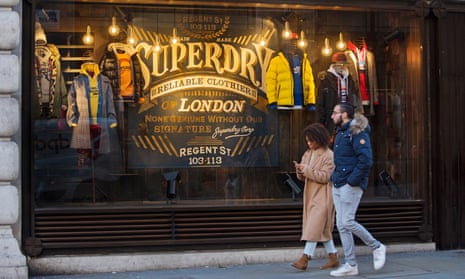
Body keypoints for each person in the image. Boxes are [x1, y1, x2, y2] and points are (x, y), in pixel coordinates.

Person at [329, 103, 386, 277]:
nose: (332, 116)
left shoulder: (357, 132)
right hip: (338, 183)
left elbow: (366, 160)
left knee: (347, 221)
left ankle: (376, 246)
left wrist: (351, 182)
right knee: (341, 225)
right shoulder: (340, 132)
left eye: (335, 112)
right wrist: (334, 178)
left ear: (344, 114)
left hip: (349, 184)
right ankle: (351, 264)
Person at [291, 123, 339, 271]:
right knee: (322, 229)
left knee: (313, 227)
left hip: (324, 196)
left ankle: (305, 258)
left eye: (311, 140)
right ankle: (333, 257)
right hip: (311, 194)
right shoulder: (307, 153)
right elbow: (304, 177)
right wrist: (300, 171)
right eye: (307, 141)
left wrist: (306, 170)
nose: (309, 143)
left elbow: (326, 177)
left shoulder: (329, 155)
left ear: (319, 139)